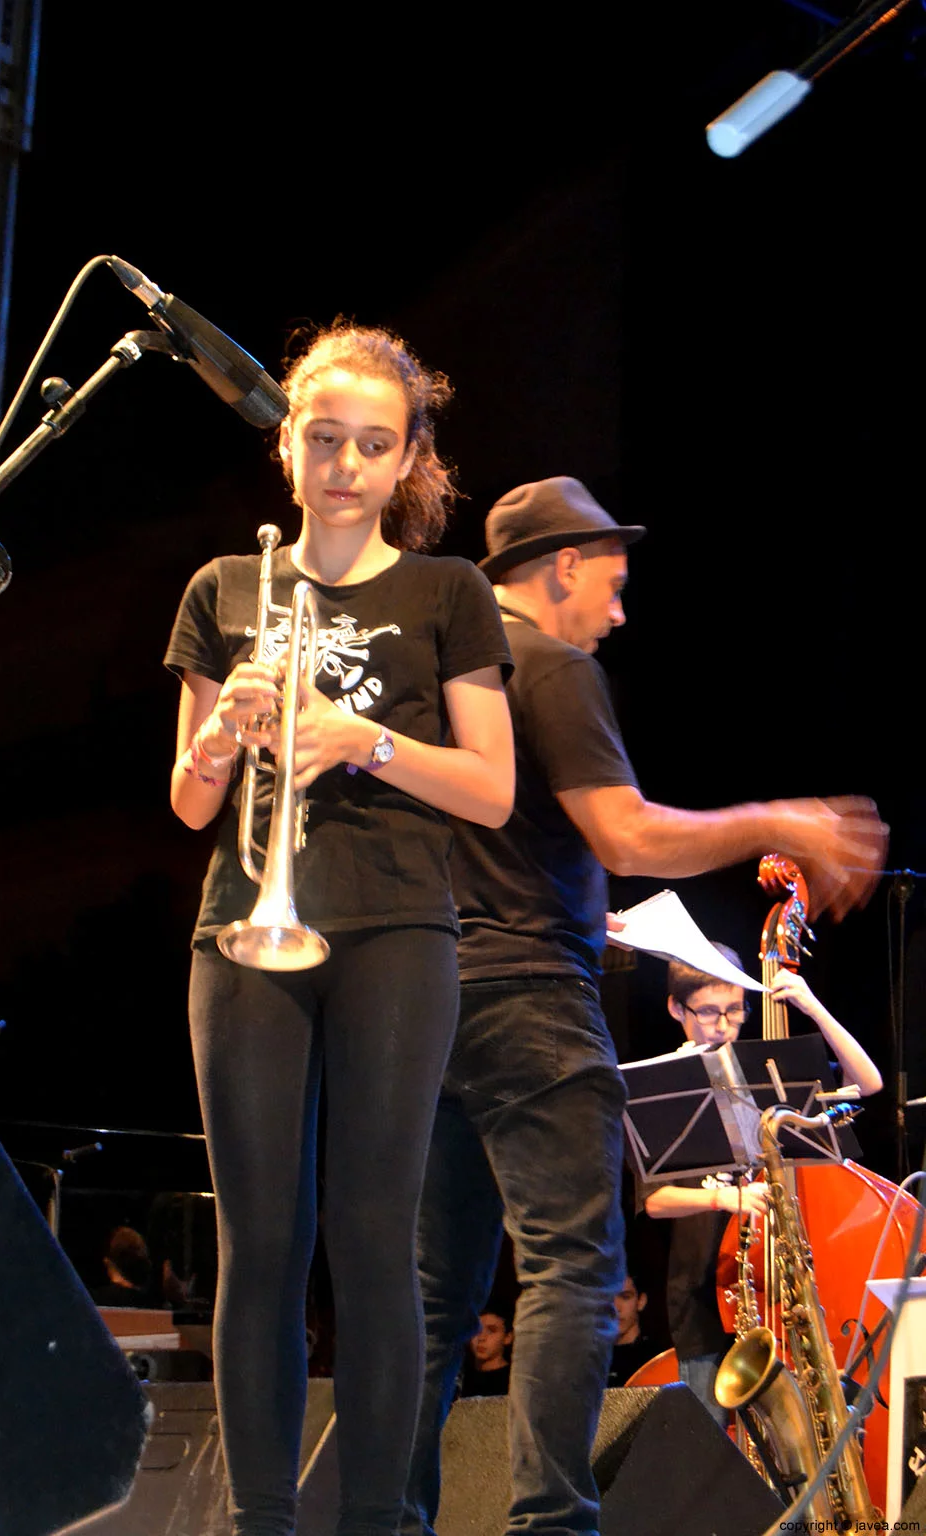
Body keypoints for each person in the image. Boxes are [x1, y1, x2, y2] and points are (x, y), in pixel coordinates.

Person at [402, 476, 887, 1536]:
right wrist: (783, 818)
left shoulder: (449, 674)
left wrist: (596, 918)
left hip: (433, 1005)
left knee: (435, 1301)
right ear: (563, 568)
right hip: (531, 1004)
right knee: (571, 1272)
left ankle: (390, 1520)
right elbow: (624, 836)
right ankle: (552, 1525)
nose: (619, 614)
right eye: (612, 586)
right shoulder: (555, 666)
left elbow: (498, 848)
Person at [164, 324, 516, 1536]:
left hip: (397, 932)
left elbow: (491, 788)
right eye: (325, 440)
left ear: (407, 456)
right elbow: (190, 799)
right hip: (246, 924)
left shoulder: (447, 593)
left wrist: (356, 735)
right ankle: (262, 1520)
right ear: (287, 445)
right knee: (261, 1239)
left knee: (375, 1238)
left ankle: (378, 1521)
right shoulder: (227, 588)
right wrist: (228, 732)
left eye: (374, 445)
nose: (346, 466)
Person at [642, 945, 882, 1425]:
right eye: (709, 1012)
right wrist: (727, 1197)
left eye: (735, 1010)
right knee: (716, 1460)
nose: (724, 1025)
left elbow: (868, 1082)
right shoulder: (663, 1084)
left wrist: (812, 1006)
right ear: (676, 1008)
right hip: (705, 1305)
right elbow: (656, 1202)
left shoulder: (767, 1074)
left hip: (779, 1292)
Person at [606, 1270, 660, 1387]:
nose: (615, 1307)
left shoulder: (656, 1360)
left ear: (641, 1301)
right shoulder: (588, 1362)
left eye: (625, 1297)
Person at [460, 1308, 514, 1397]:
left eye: (491, 1330)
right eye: (476, 1330)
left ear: (508, 1337)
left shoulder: (514, 1380)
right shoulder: (459, 1378)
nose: (481, 1338)